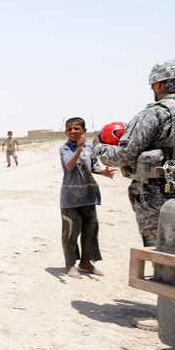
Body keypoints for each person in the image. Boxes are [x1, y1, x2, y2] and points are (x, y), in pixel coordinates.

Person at [93, 58, 175, 328]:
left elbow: (124, 154)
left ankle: (170, 315)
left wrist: (98, 148)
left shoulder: (156, 113)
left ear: (160, 83)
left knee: (163, 250)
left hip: (157, 196)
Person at [60, 117, 115, 278]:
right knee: (70, 232)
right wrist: (78, 150)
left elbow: (94, 167)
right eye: (70, 129)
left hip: (88, 196)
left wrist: (103, 172)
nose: (73, 131)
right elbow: (69, 167)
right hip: (70, 198)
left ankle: (86, 262)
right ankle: (70, 264)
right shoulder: (65, 148)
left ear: (84, 130)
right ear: (66, 132)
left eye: (77, 128)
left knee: (90, 231)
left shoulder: (90, 148)